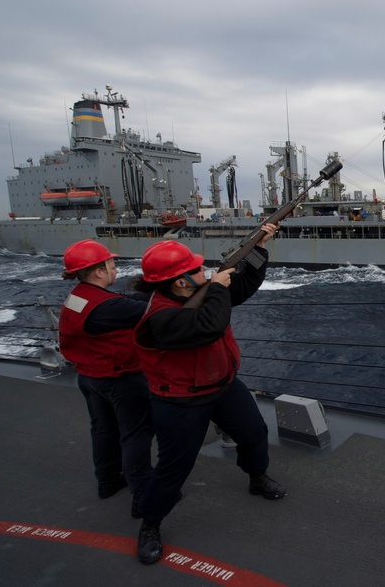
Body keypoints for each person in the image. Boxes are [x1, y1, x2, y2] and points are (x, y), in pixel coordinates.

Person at [132, 226, 286, 565]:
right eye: (197, 269)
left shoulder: (199, 293)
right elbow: (210, 326)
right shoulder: (160, 317)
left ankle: (257, 477)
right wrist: (216, 286)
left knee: (254, 434)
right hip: (180, 400)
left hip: (222, 385)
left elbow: (240, 289)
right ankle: (151, 523)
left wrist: (257, 249)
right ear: (181, 282)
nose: (204, 271)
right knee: (174, 466)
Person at [58, 240, 153, 516]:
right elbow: (153, 312)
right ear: (98, 271)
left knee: (103, 429)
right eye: (111, 265)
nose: (115, 269)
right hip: (120, 379)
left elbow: (123, 303)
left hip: (89, 377)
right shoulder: (108, 308)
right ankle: (143, 494)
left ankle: (108, 480)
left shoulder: (78, 295)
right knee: (137, 434)